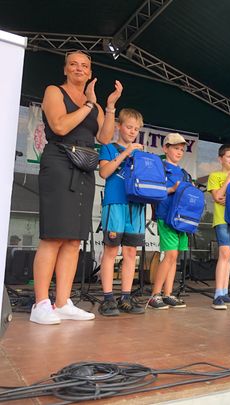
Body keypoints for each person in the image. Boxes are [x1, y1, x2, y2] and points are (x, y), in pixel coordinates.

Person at [30, 50, 122, 325]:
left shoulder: (94, 105)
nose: (79, 68)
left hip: (84, 166)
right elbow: (59, 126)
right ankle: (40, 303)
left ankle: (62, 302)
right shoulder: (54, 91)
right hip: (59, 162)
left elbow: (105, 137)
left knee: (73, 239)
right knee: (53, 236)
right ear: (65, 69)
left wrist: (108, 107)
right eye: (74, 64)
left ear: (90, 72)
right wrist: (87, 104)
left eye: (84, 65)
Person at [97, 108, 146, 316]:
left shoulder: (141, 154)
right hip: (115, 203)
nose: (133, 131)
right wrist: (126, 153)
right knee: (111, 251)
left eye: (136, 129)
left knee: (131, 253)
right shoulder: (108, 148)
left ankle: (125, 297)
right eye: (129, 127)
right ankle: (108, 298)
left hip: (136, 206)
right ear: (119, 126)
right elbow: (104, 172)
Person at [147, 133, 190, 310]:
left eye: (181, 149)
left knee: (174, 257)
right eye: (175, 148)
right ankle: (154, 295)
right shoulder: (159, 169)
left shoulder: (185, 174)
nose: (179, 152)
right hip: (166, 216)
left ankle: (168, 294)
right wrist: (172, 189)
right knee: (170, 254)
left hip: (182, 220)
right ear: (165, 148)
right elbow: (152, 192)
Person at [207, 144, 230, 310]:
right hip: (221, 219)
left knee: (229, 256)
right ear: (220, 159)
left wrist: (228, 200)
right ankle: (218, 294)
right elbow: (217, 196)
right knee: (223, 254)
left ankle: (225, 292)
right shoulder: (214, 176)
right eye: (229, 156)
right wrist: (228, 180)